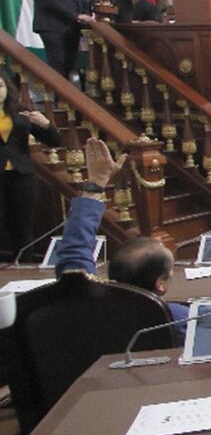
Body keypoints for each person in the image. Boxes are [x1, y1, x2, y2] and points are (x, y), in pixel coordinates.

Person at [53, 137, 189, 335]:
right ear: (160, 284)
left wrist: (96, 183)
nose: (159, 241)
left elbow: (74, 250)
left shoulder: (83, 303)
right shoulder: (175, 319)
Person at [0, 75, 62, 259]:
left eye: (1, 86)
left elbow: (54, 141)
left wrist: (45, 124)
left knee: (23, 223)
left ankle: (24, 262)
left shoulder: (20, 112)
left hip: (21, 174)